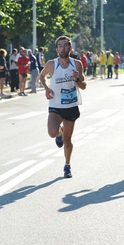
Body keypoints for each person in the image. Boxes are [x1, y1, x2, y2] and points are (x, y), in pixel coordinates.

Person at [39, 35, 87, 178]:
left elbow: (83, 86)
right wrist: (47, 89)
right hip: (56, 105)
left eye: (65, 45)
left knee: (67, 140)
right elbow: (41, 76)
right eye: (60, 46)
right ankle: (58, 132)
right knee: (52, 132)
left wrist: (77, 79)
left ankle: (67, 165)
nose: (63, 48)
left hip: (71, 106)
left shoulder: (77, 64)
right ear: (56, 49)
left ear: (70, 48)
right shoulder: (51, 64)